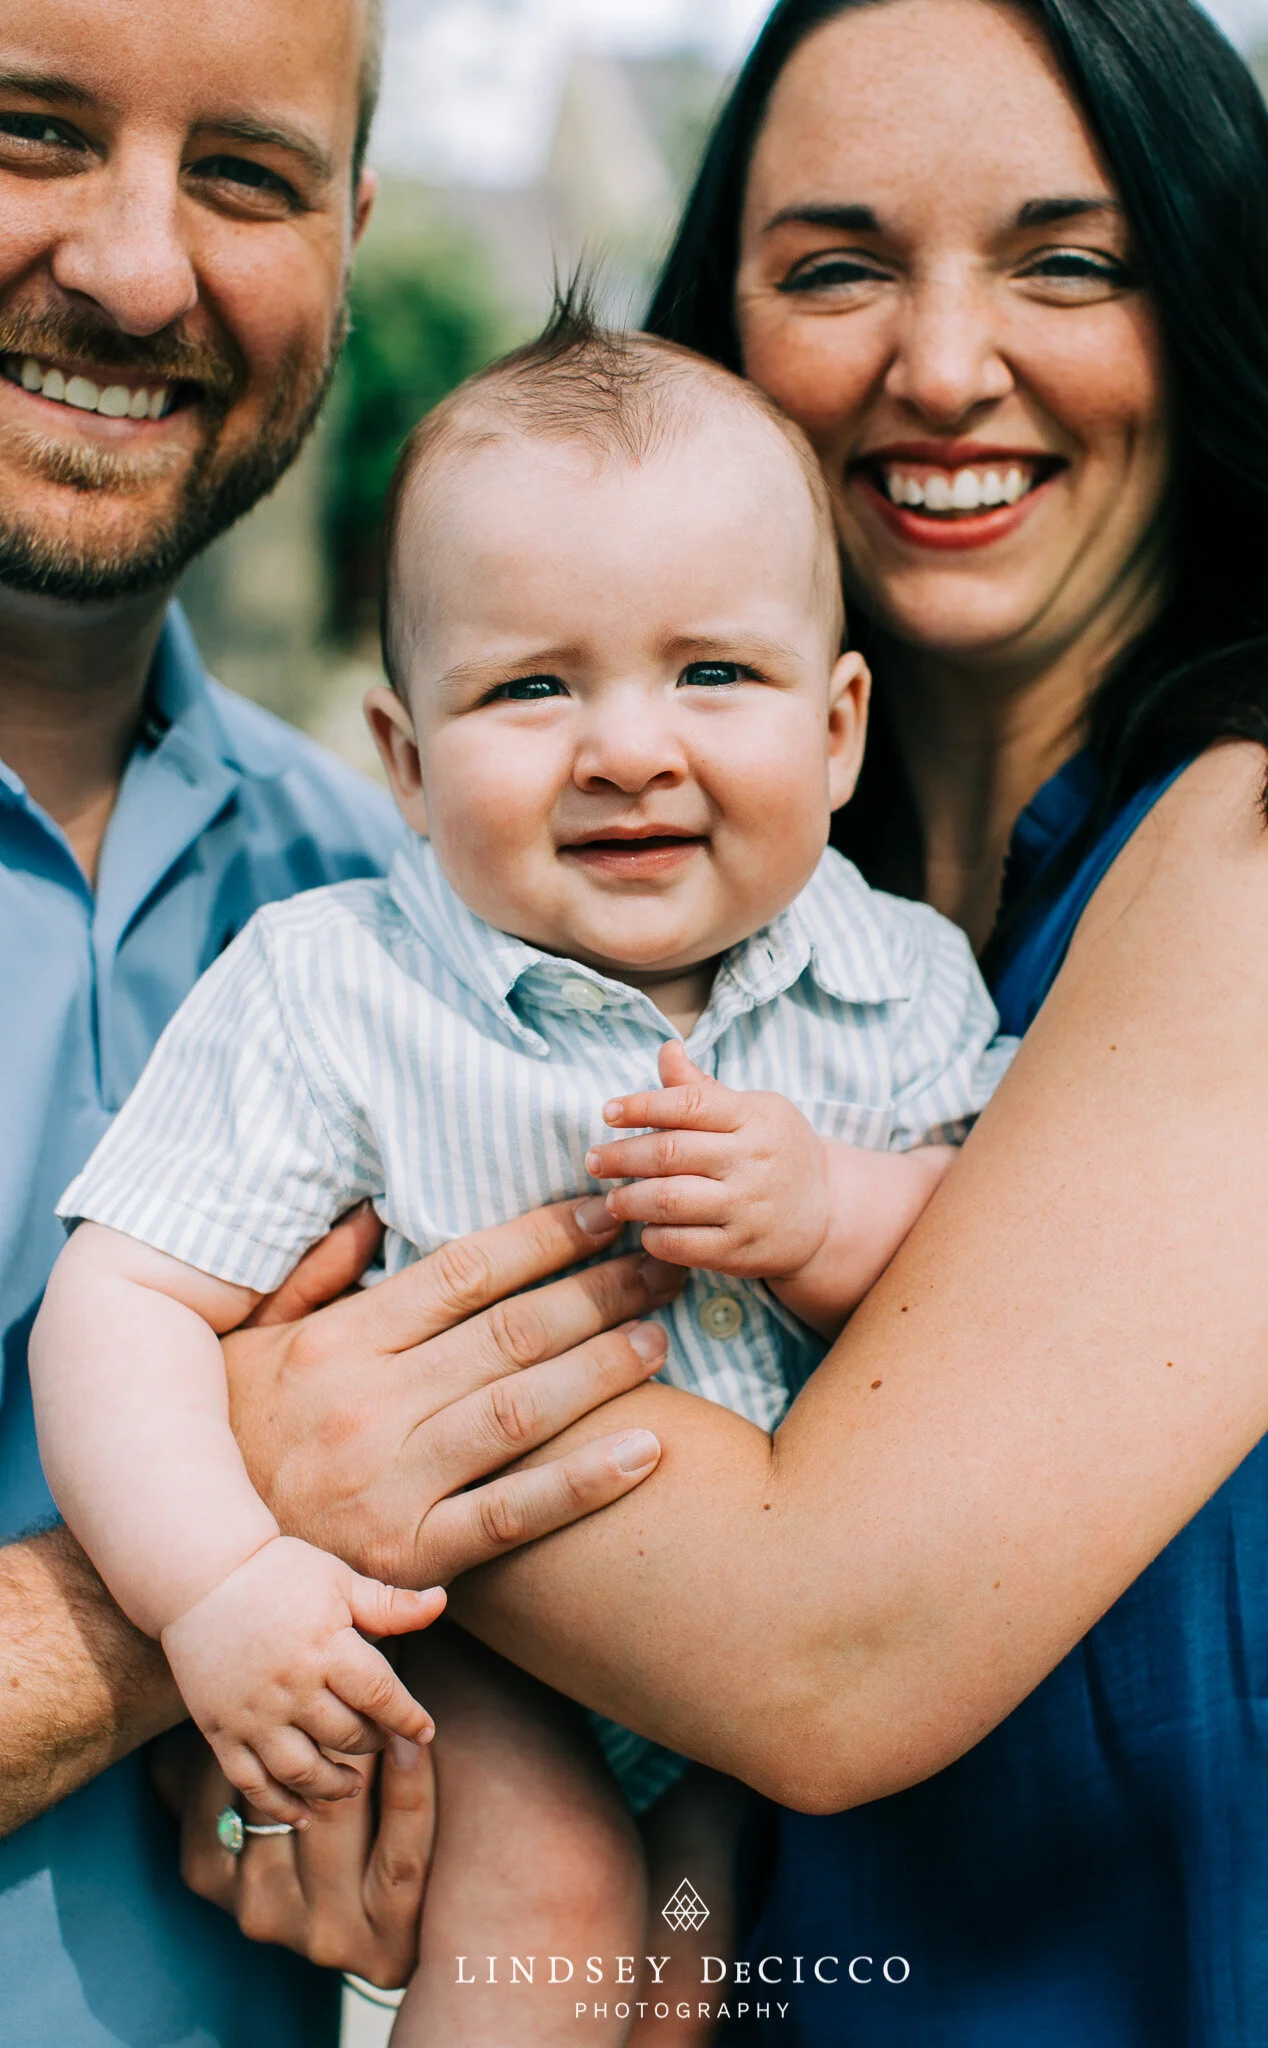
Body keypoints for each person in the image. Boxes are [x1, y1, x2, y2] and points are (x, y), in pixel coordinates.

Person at [197, 0, 1268, 2039]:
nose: (937, 363)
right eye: (833, 266)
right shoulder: (771, 938)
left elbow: (821, 1645)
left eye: (1066, 260)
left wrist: (281, 1428)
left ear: (1202, 304)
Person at [32, 305, 1014, 2045]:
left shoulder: (903, 979)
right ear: (404, 762)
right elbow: (119, 1308)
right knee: (548, 1894)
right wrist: (212, 1587)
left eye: (714, 673)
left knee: (701, 1953)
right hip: (457, 1642)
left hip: (732, 1684)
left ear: (843, 726)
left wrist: (833, 1213)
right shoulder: (337, 985)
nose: (627, 747)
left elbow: (1004, 1259)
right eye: (532, 686)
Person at [0, 5, 682, 2044]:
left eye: (245, 174)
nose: (136, 269)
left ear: (353, 230)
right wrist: (213, 1548)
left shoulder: (397, 909)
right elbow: (327, 1484)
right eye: (30, 133)